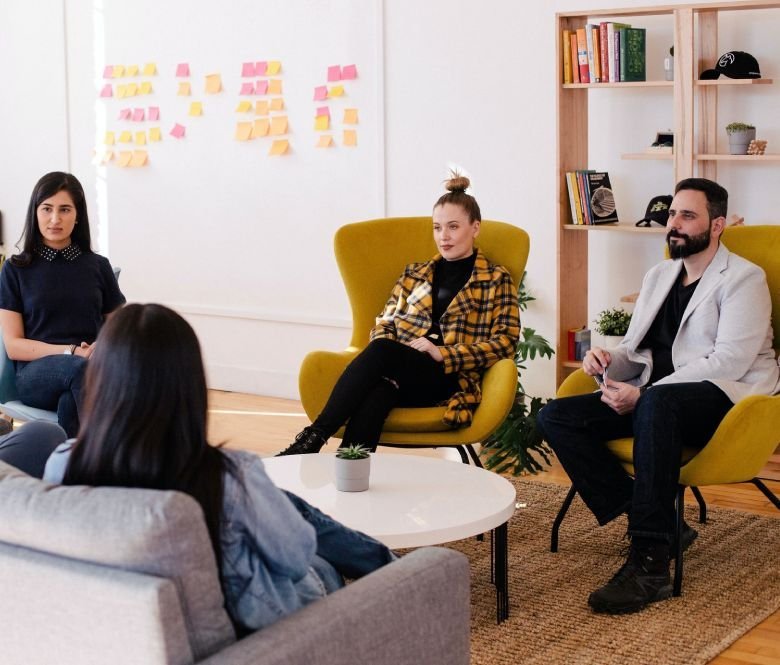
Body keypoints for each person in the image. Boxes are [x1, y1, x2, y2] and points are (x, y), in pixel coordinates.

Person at [35, 303, 395, 634]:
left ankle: (379, 559)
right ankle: (398, 573)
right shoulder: (226, 475)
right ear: (188, 385)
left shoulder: (63, 463)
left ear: (100, 380)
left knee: (280, 501)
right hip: (259, 630)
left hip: (131, 628)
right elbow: (296, 556)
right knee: (316, 554)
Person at [537, 178, 779, 615]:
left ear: (717, 224)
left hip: (728, 401)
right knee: (557, 416)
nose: (675, 224)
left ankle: (650, 563)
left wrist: (644, 393)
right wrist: (607, 359)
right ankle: (663, 522)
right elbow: (638, 348)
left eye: (688, 216)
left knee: (657, 404)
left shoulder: (743, 278)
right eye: (672, 214)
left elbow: (729, 361)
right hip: (657, 402)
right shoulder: (660, 275)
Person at [278, 173, 520, 455]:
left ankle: (313, 437)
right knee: (379, 393)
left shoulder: (495, 279)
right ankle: (349, 470)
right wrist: (400, 353)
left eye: (453, 227)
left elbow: (506, 342)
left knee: (381, 351)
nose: (444, 236)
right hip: (400, 369)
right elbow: (385, 322)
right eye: (437, 227)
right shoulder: (414, 274)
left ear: (475, 227)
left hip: (449, 378)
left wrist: (444, 353)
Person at [0, 172, 125, 437]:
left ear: (77, 215)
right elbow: (14, 346)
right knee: (83, 372)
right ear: (35, 213)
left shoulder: (97, 266)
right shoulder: (15, 269)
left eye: (65, 209)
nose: (55, 219)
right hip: (35, 375)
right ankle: (118, 456)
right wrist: (70, 351)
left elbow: (121, 328)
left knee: (72, 400)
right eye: (47, 209)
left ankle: (72, 471)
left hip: (87, 372)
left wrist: (100, 347)